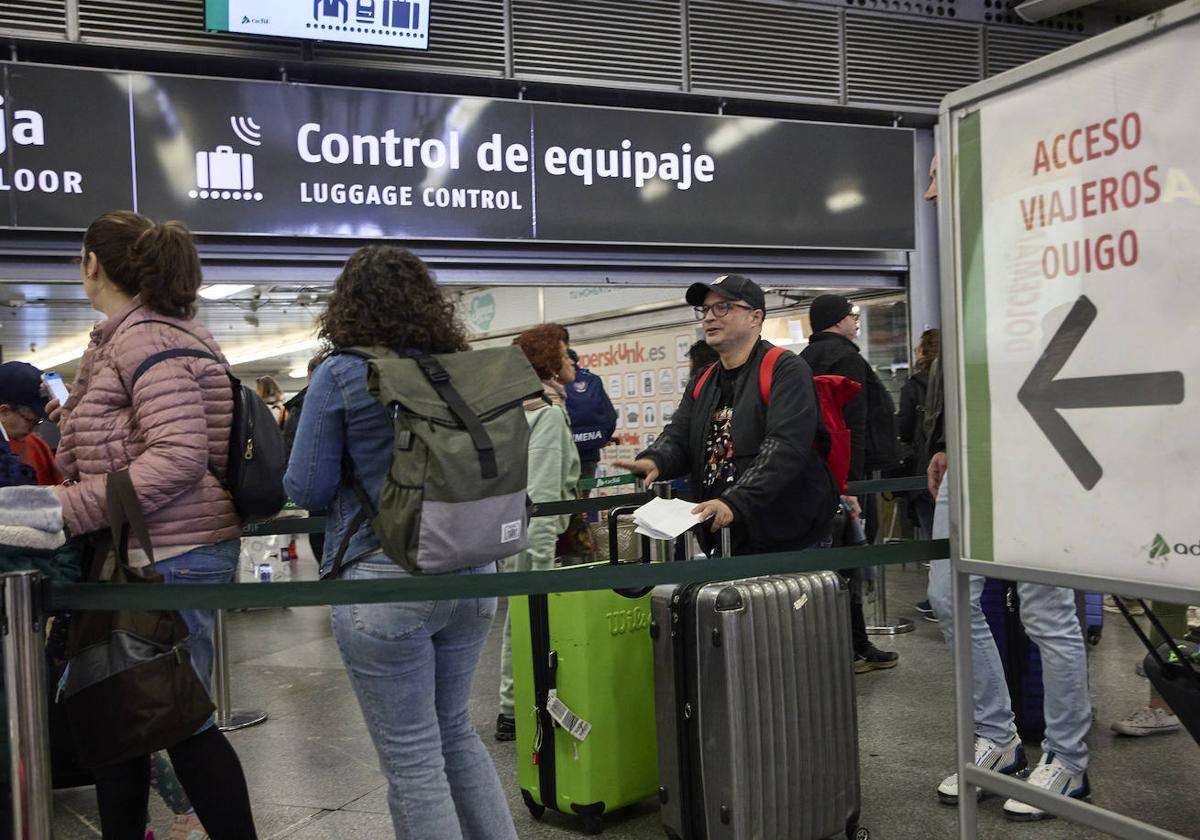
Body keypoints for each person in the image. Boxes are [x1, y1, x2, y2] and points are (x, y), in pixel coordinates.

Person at [284, 245, 517, 840]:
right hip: (474, 571)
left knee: (413, 758)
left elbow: (307, 488)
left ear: (347, 306)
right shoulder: (455, 367)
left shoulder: (341, 373)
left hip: (382, 578)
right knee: (458, 734)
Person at [42, 210, 255, 838]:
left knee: (177, 722)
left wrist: (68, 508)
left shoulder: (145, 338)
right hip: (148, 547)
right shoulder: (143, 335)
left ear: (91, 264)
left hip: (166, 551)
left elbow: (179, 456)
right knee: (122, 721)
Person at [923, 157, 1092, 820]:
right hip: (972, 451)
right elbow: (962, 362)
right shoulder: (963, 254)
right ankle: (997, 740)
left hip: (1037, 445)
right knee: (945, 595)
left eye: (939, 169)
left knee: (1046, 608)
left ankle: (1069, 760)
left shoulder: (1031, 242)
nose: (929, 185)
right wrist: (941, 439)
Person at [615, 274, 836, 556]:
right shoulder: (703, 380)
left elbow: (785, 447)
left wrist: (735, 502)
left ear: (755, 317)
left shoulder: (786, 369)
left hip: (786, 536)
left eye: (723, 307)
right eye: (705, 310)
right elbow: (680, 435)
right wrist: (656, 459)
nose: (709, 317)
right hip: (726, 535)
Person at [801, 294, 900, 673]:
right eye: (851, 315)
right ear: (836, 320)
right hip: (846, 480)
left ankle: (848, 644)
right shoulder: (847, 359)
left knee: (829, 567)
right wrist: (852, 486)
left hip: (816, 480)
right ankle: (852, 647)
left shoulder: (801, 361)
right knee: (851, 564)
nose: (855, 320)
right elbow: (852, 425)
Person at [495, 324, 581, 741]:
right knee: (527, 619)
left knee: (521, 618)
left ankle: (514, 706)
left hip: (515, 530)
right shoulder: (545, 413)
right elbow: (544, 493)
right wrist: (541, 554)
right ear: (546, 360)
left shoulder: (522, 406)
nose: (571, 361)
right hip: (533, 535)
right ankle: (513, 710)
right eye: (564, 353)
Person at [0, 361, 62, 485]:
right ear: (4, 412)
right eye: (30, 420)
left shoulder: (38, 445)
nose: (35, 429)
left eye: (39, 420)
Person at [563, 348, 617, 481]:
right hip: (590, 453)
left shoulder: (557, 382)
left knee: (566, 498)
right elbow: (611, 416)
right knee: (585, 496)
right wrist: (603, 438)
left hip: (566, 455)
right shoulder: (592, 379)